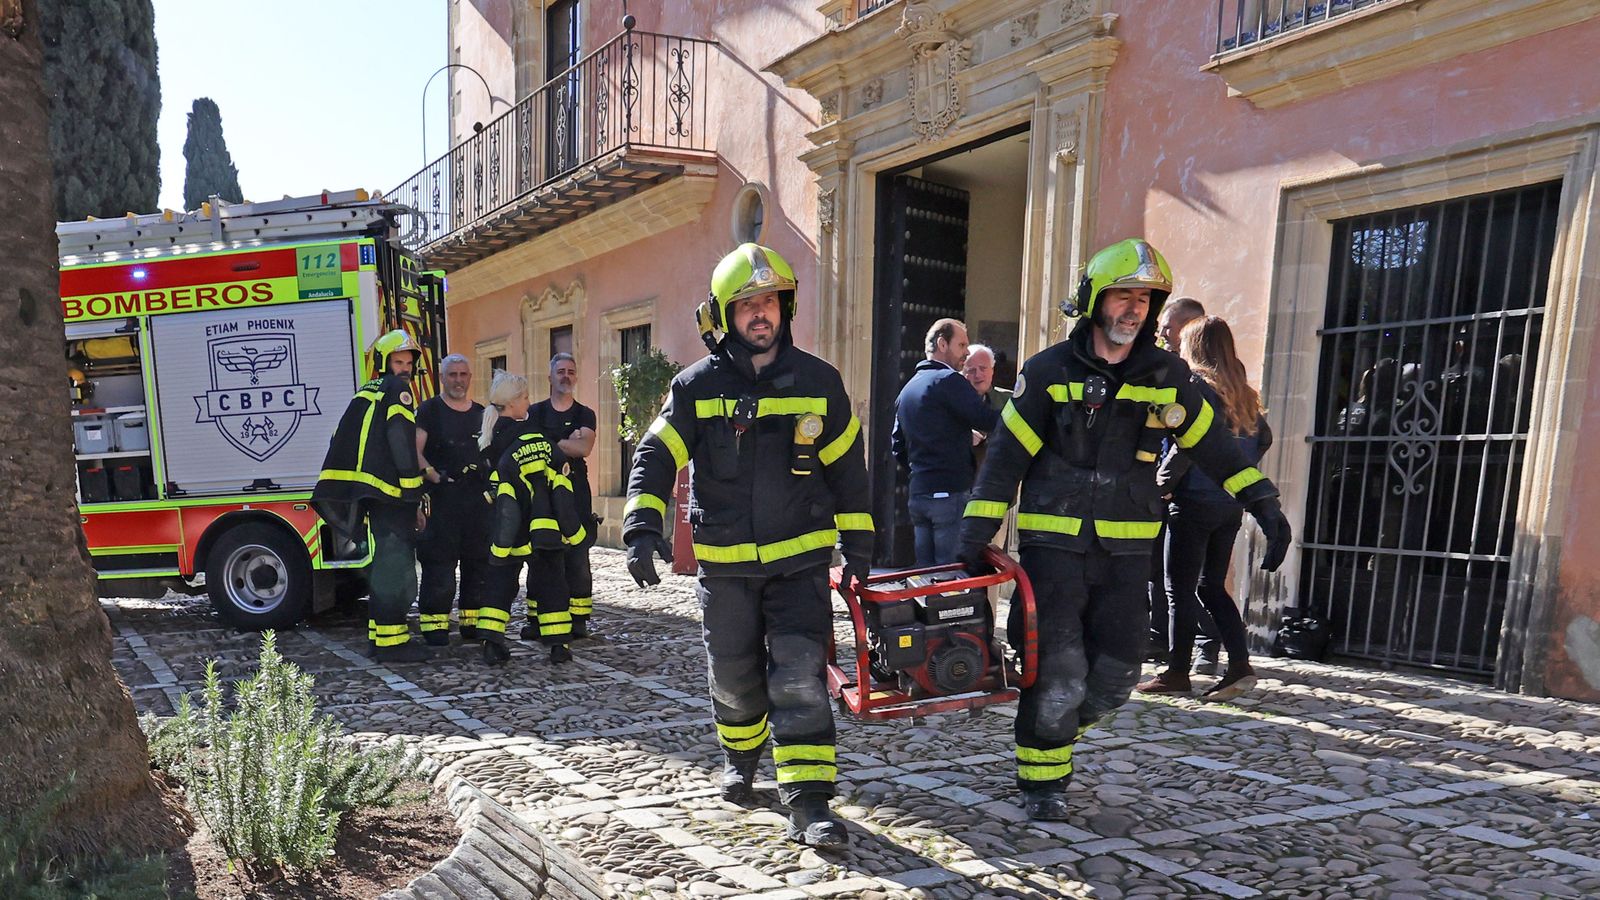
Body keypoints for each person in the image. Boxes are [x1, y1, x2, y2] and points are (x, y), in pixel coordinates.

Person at [956, 238, 1292, 821]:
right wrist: (972, 537)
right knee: (1056, 670)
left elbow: (1212, 445)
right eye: (1122, 296)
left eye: (1144, 298)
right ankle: (1043, 783)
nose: (1134, 309)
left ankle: (1049, 730)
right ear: (1093, 301)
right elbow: (1005, 459)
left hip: (1127, 550)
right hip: (1053, 551)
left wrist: (1263, 503)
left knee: (1116, 675)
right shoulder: (1047, 373)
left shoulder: (1166, 375)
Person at [622, 242, 873, 849]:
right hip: (727, 569)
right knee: (733, 678)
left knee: (798, 678)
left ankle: (809, 802)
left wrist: (861, 545)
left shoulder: (820, 382)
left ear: (785, 307)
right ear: (723, 315)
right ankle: (740, 759)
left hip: (800, 566)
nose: (759, 314)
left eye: (768, 301)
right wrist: (640, 525)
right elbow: (656, 454)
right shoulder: (696, 387)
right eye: (745, 304)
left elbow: (848, 471)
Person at [1138, 316, 1275, 701]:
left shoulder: (1196, 386)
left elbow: (1187, 441)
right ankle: (1239, 665)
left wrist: (1163, 486)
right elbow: (1263, 436)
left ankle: (1177, 672)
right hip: (1229, 504)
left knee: (1178, 589)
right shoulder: (1242, 392)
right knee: (1210, 587)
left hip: (1193, 500)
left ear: (1194, 346)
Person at [313, 329, 430, 663]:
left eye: (409, 362)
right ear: (383, 363)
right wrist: (414, 491)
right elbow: (399, 438)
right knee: (396, 570)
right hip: (393, 498)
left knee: (383, 567)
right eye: (398, 361)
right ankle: (394, 645)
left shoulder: (368, 391)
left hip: (374, 497)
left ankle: (380, 640)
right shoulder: (397, 389)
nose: (405, 368)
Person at [892, 319, 999, 566]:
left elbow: (897, 444)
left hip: (919, 495)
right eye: (961, 344)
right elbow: (986, 418)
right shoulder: (949, 380)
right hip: (949, 494)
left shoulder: (907, 389)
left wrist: (922, 470)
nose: (965, 352)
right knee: (950, 580)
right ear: (942, 343)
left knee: (926, 578)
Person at [1150, 296, 1221, 671]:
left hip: (1191, 490)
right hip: (1180, 486)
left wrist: (1164, 478)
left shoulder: (1202, 379)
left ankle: (1203, 647)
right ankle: (1165, 640)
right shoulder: (1174, 369)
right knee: (1165, 576)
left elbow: (1189, 440)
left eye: (1168, 327)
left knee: (1187, 582)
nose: (1162, 333)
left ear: (1190, 327)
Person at [482, 414, 586, 667]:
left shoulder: (506, 457)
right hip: (547, 534)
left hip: (516, 535)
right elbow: (562, 497)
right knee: (553, 588)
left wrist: (499, 549)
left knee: (500, 586)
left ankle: (492, 643)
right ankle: (559, 646)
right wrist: (576, 535)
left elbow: (507, 508)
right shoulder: (552, 451)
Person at [523, 352, 600, 640]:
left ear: (575, 377)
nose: (566, 376)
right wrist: (567, 442)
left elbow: (584, 449)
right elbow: (530, 447)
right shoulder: (535, 412)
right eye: (560, 372)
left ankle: (578, 619)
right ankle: (536, 618)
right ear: (550, 377)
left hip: (576, 494)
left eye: (570, 371)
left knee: (578, 557)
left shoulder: (585, 413)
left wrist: (550, 443)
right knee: (540, 557)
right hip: (541, 494)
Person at [415, 354, 490, 645]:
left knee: (477, 566)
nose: (459, 380)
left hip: (475, 503)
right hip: (442, 499)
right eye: (453, 375)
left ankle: (472, 625)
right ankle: (435, 629)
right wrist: (431, 474)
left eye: (463, 374)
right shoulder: (430, 410)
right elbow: (415, 450)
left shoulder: (482, 413)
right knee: (439, 567)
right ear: (442, 377)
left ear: (470, 377)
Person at [963, 343, 1012, 412]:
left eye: (983, 368)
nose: (978, 375)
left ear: (992, 370)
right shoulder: (951, 402)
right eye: (971, 370)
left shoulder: (1010, 402)